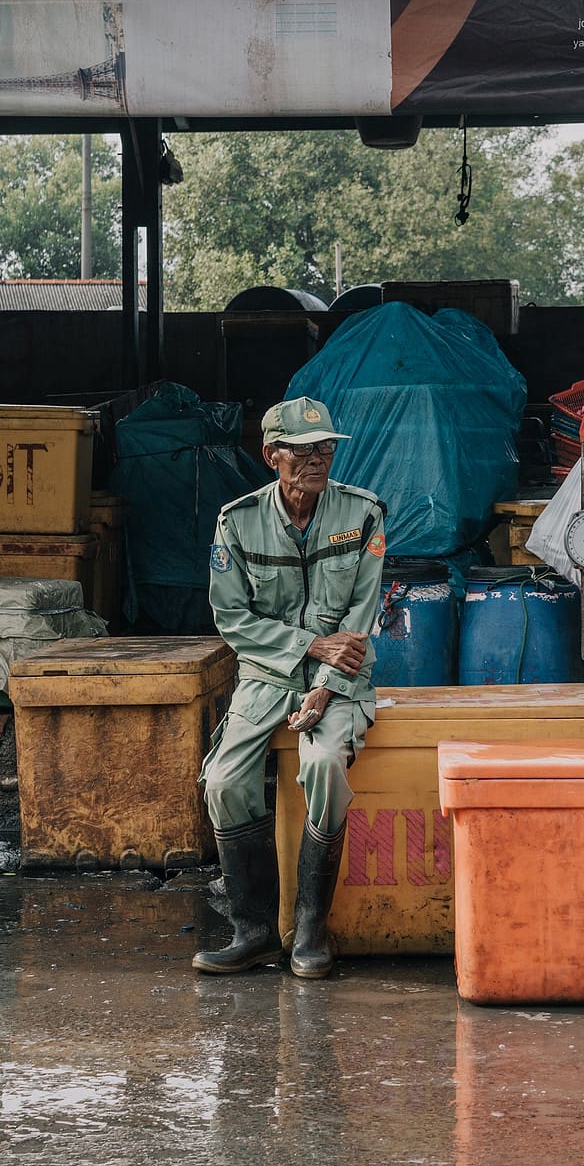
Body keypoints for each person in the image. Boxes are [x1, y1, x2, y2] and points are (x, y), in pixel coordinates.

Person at [193, 397, 386, 980]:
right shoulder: (238, 520)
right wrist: (306, 646)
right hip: (266, 675)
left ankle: (309, 931)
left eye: (325, 447)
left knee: (325, 765)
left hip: (341, 676)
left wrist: (325, 683)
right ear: (271, 455)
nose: (316, 459)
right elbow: (231, 617)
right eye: (301, 450)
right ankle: (252, 932)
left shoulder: (364, 513)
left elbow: (360, 614)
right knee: (224, 780)